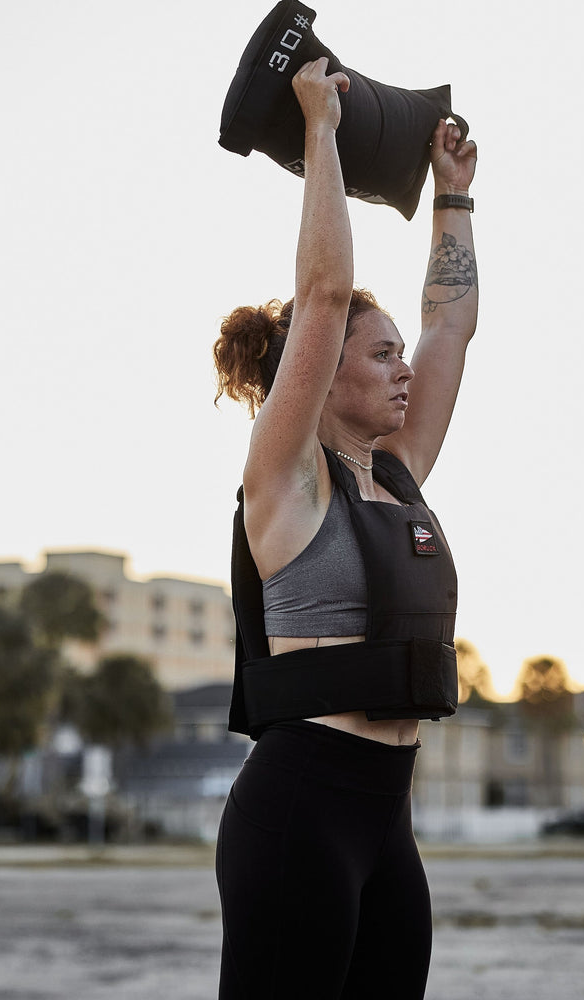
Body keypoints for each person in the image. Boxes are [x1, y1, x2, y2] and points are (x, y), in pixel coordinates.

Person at [211, 57, 478, 1000]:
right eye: (381, 353)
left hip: (387, 820)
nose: (405, 368)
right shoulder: (285, 477)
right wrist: (319, 129)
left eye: (400, 353)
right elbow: (324, 296)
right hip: (302, 811)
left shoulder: (398, 472)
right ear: (323, 371)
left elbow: (450, 329)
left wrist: (453, 198)